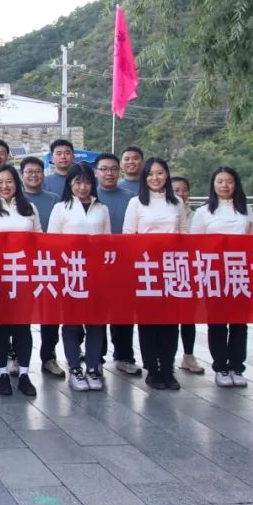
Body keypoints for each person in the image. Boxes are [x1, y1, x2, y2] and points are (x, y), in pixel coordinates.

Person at [191, 167, 253, 388]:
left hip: (241, 273)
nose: (224, 186)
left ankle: (237, 367)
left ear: (236, 184)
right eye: (220, 181)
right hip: (214, 274)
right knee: (217, 322)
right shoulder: (204, 212)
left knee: (239, 323)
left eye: (229, 181)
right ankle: (221, 367)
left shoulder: (245, 209)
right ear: (213, 185)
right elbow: (194, 244)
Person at [0, 165, 40, 397]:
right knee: (0, 327)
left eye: (9, 181)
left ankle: (24, 374)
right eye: (0, 182)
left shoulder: (29, 208)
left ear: (17, 183)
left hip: (23, 275)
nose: (5, 186)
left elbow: (39, 240)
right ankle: (2, 373)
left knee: (23, 326)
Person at [123, 157, 189, 391]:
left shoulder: (176, 202)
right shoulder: (136, 203)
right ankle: (152, 369)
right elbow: (129, 235)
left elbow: (184, 233)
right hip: (146, 270)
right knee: (148, 323)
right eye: (150, 174)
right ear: (144, 177)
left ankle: (168, 369)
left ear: (167, 175)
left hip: (171, 269)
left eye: (160, 173)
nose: (155, 178)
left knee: (170, 323)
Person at [47, 164, 111, 392]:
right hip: (70, 274)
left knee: (96, 324)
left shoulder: (102, 209)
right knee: (72, 324)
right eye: (77, 182)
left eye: (86, 182)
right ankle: (75, 368)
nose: (82, 187)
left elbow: (107, 241)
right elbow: (52, 244)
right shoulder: (60, 208)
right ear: (70, 184)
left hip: (96, 275)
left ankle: (93, 368)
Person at [93, 153, 140, 376]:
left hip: (124, 262)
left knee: (123, 312)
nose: (108, 173)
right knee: (97, 313)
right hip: (96, 264)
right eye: (104, 169)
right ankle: (97, 356)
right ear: (96, 172)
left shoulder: (132, 198)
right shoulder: (90, 197)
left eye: (113, 169)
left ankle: (124, 356)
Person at [21, 156, 64, 379]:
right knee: (21, 312)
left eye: (37, 171)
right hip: (22, 264)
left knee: (50, 313)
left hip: (50, 263)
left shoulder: (55, 199)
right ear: (22, 175)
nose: (33, 175)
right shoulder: (17, 200)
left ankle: (49, 356)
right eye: (29, 172)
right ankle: (18, 357)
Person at [172, 175, 205, 375]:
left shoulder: (197, 216)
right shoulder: (166, 214)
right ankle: (164, 356)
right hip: (167, 270)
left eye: (184, 190)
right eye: (176, 190)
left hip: (190, 271)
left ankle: (188, 355)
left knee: (188, 316)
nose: (181, 194)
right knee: (167, 317)